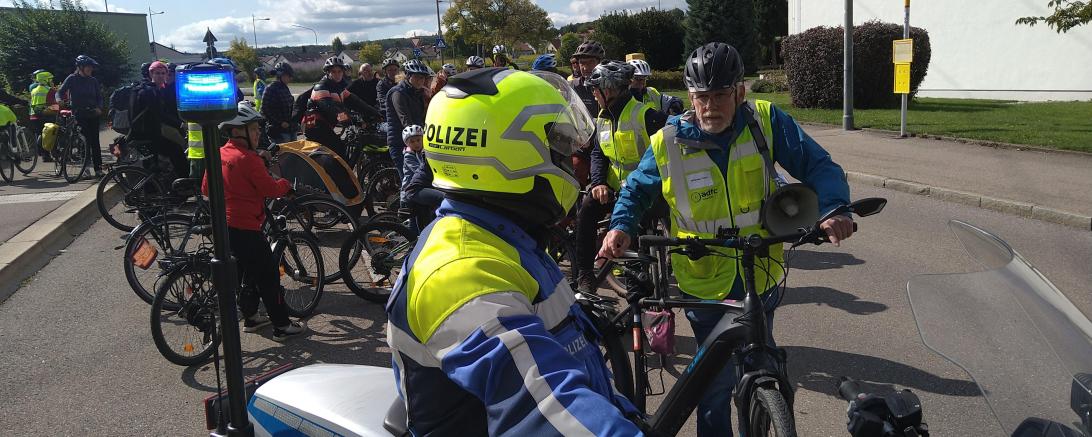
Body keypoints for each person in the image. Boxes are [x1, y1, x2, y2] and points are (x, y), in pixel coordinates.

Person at [598, 42, 854, 437]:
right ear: (690, 96)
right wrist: (621, 225)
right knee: (714, 387)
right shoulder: (668, 142)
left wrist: (834, 209)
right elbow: (636, 190)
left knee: (764, 367)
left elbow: (818, 164)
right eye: (702, 96)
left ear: (740, 92)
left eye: (720, 95)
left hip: (760, 273)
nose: (710, 106)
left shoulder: (766, 122)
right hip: (703, 282)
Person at [385, 67, 643, 436]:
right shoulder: (460, 275)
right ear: (507, 154)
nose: (569, 158)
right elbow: (553, 411)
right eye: (557, 145)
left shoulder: (506, 237)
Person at [201, 102, 305, 341]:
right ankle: (282, 326)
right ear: (239, 131)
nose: (258, 133)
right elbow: (270, 188)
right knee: (268, 275)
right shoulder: (248, 159)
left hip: (223, 225)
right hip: (245, 226)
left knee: (246, 271)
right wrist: (286, 185)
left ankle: (251, 317)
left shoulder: (220, 153)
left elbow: (206, 186)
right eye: (254, 129)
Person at [573, 60, 667, 293]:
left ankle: (637, 286)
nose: (592, 94)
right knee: (586, 207)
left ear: (607, 90)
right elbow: (598, 153)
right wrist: (599, 182)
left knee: (638, 228)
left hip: (647, 192)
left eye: (595, 89)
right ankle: (585, 274)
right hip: (615, 190)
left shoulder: (646, 116)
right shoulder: (603, 117)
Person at [304, 56, 380, 160]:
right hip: (314, 127)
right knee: (339, 150)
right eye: (334, 72)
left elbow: (357, 103)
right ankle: (336, 176)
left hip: (325, 126)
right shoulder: (321, 88)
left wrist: (376, 113)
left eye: (339, 71)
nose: (337, 74)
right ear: (327, 72)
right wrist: (355, 122)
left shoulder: (339, 88)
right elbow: (334, 111)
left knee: (341, 148)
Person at [188, 58, 246, 179]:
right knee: (207, 188)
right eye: (231, 76)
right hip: (204, 153)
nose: (234, 81)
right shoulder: (213, 98)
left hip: (212, 151)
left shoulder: (225, 94)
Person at [132, 61, 188, 179]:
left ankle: (156, 190)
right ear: (151, 74)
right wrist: (180, 124)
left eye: (163, 73)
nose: (161, 76)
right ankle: (185, 184)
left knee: (153, 166)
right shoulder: (148, 91)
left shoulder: (155, 89)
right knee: (176, 150)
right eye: (157, 73)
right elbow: (160, 114)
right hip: (146, 135)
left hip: (150, 132)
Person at [57, 55, 104, 177]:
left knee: (95, 142)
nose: (90, 70)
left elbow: (99, 97)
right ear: (81, 67)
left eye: (91, 68)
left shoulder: (93, 81)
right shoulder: (72, 79)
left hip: (93, 114)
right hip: (79, 114)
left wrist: (99, 108)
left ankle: (98, 169)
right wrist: (59, 100)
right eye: (88, 67)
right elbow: (60, 92)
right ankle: (86, 168)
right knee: (84, 141)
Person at [384, 59, 429, 180]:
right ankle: (404, 198)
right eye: (417, 77)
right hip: (400, 142)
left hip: (415, 140)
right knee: (412, 181)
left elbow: (422, 117)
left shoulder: (417, 92)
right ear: (408, 76)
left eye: (423, 78)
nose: (421, 81)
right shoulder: (398, 93)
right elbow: (405, 120)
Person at [568, 41, 606, 187]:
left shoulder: (610, 85)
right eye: (582, 63)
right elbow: (566, 114)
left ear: (600, 63)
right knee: (576, 171)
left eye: (590, 63)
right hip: (582, 142)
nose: (585, 67)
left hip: (604, 141)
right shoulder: (572, 86)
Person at [399, 124, 441, 232]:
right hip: (410, 191)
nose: (416, 143)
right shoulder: (409, 155)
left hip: (420, 188)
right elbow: (419, 169)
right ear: (407, 143)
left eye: (418, 140)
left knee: (424, 216)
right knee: (416, 222)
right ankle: (413, 244)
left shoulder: (422, 151)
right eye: (412, 142)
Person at [261, 62, 297, 144]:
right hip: (279, 131)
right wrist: (280, 122)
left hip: (290, 129)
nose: (290, 78)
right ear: (281, 75)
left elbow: (290, 106)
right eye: (289, 76)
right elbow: (265, 109)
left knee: (294, 154)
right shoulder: (271, 88)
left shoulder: (284, 88)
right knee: (283, 155)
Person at [28, 69, 57, 160]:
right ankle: (50, 153)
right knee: (50, 134)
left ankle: (42, 153)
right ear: (45, 80)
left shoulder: (34, 90)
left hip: (33, 115)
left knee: (41, 133)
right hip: (45, 115)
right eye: (50, 80)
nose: (52, 82)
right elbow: (54, 105)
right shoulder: (49, 90)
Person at [375, 58, 400, 123]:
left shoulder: (401, 82)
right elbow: (382, 100)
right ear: (385, 71)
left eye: (395, 70)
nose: (393, 72)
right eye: (390, 70)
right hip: (388, 115)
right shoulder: (382, 84)